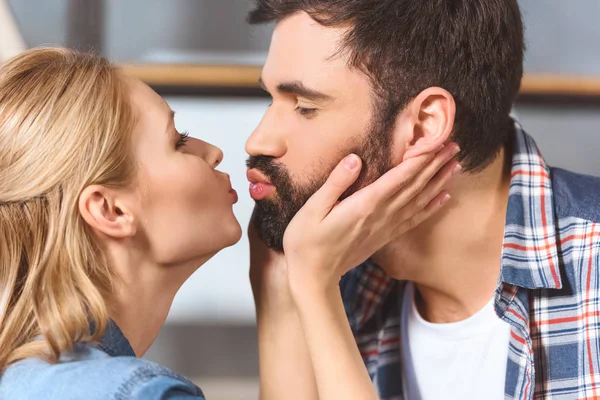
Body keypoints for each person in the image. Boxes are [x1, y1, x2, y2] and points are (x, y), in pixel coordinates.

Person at [0, 48, 456, 399]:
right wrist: (316, 285)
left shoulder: (33, 378)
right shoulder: (132, 392)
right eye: (177, 142)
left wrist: (280, 283)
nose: (214, 151)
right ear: (110, 211)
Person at [245, 1, 600, 399]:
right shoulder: (330, 276)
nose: (258, 141)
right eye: (270, 100)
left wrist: (311, 284)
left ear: (424, 125)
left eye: (305, 107)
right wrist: (287, 284)